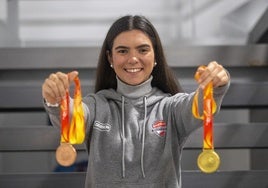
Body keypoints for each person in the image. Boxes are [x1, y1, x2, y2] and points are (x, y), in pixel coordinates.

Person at [42, 15, 230, 188]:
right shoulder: (97, 105)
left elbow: (198, 106)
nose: (133, 59)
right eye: (122, 51)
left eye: (143, 50)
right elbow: (74, 116)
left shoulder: (171, 108)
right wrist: (56, 101)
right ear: (110, 57)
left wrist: (216, 84)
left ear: (155, 56)